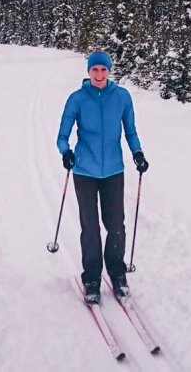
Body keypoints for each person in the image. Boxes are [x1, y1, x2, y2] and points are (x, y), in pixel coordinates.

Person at [57, 50, 149, 304]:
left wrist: (138, 153)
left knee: (116, 225)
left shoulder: (121, 97)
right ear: (88, 72)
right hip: (84, 171)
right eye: (94, 70)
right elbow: (62, 136)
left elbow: (130, 131)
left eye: (103, 69)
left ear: (109, 71)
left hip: (113, 171)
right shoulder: (76, 99)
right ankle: (91, 279)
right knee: (90, 228)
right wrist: (66, 153)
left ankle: (118, 274)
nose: (99, 74)